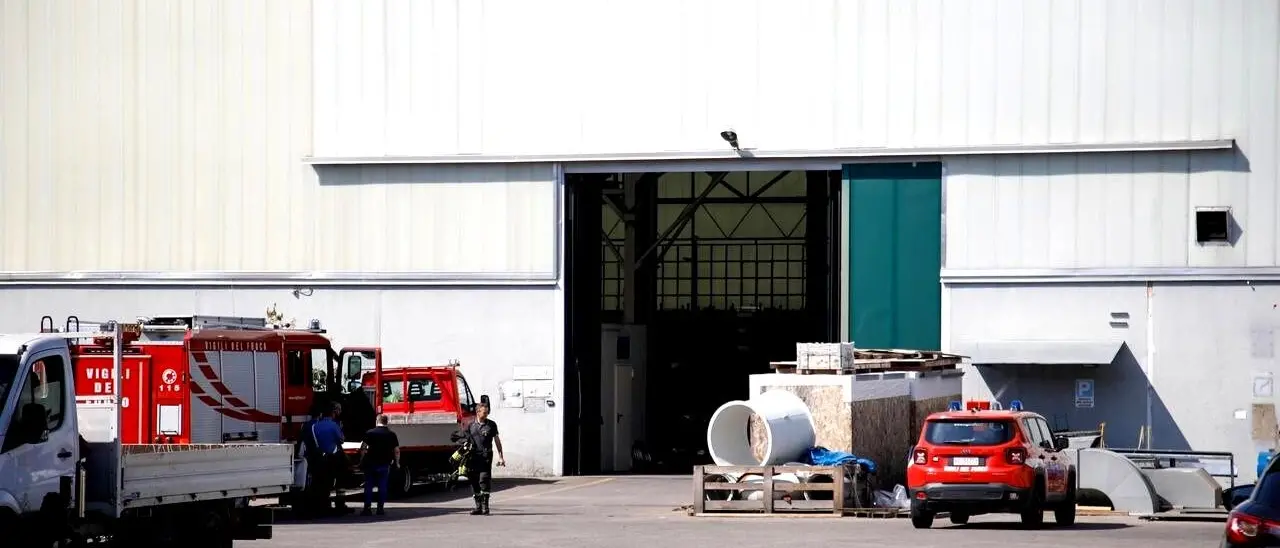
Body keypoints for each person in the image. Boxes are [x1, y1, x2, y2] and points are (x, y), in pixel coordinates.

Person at [462, 403, 505, 515]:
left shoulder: (491, 425)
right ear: (478, 412)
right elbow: (465, 441)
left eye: (487, 412)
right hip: (473, 457)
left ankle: (486, 506)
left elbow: (497, 440)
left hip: (486, 456)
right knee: (474, 481)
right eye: (484, 412)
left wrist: (501, 456)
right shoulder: (470, 425)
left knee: (484, 480)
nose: (486, 414)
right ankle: (478, 507)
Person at [359, 414, 401, 516]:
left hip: (370, 463)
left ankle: (367, 508)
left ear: (377, 421)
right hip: (384, 463)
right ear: (387, 422)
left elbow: (363, 448)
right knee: (382, 486)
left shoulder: (370, 433)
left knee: (368, 485)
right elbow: (396, 451)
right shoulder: (391, 434)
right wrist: (397, 462)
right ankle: (380, 508)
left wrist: (361, 459)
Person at [310, 402, 347, 515]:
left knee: (322, 482)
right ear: (334, 412)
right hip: (333, 457)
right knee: (340, 480)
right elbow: (341, 440)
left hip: (319, 457)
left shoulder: (315, 425)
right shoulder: (334, 425)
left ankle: (322, 504)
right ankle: (340, 504)